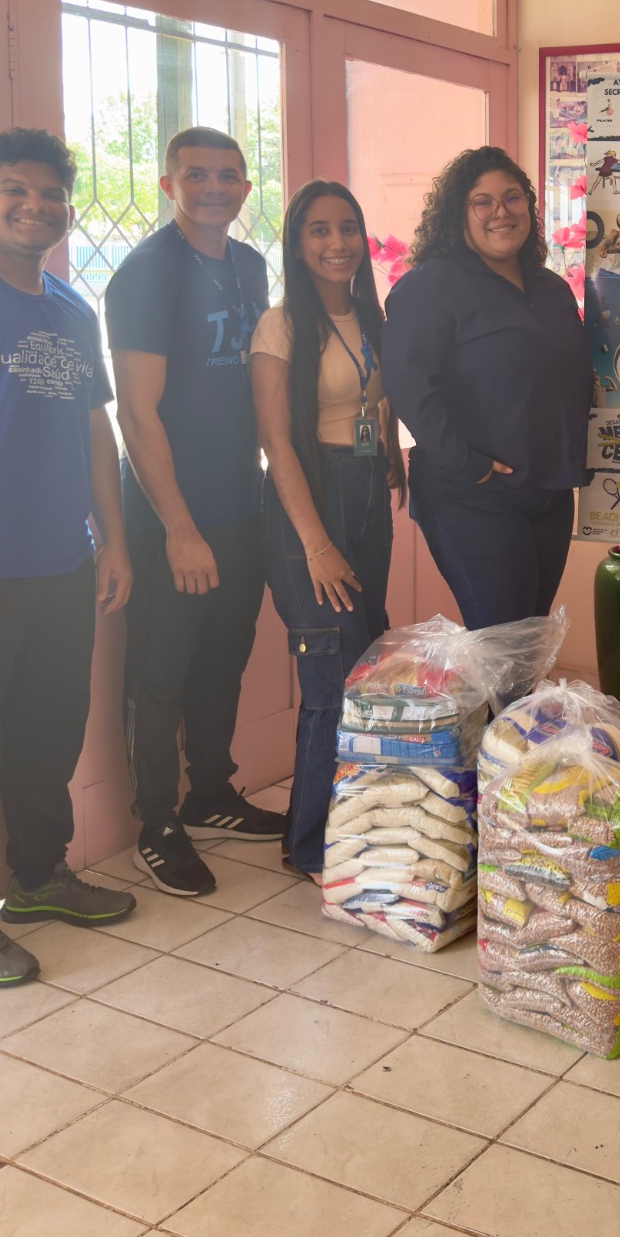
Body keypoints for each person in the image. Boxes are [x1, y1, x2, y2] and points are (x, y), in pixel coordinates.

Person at [0, 129, 136, 987]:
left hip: (62, 561)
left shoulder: (71, 308)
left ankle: (38, 877)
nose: (36, 206)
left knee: (48, 731)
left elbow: (95, 428)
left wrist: (113, 538)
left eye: (51, 193)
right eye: (15, 191)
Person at [106, 127, 281, 898]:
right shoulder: (146, 273)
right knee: (161, 674)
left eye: (228, 176)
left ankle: (210, 794)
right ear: (168, 184)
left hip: (240, 504)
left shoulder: (248, 265)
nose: (214, 188)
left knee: (222, 660)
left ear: (245, 187)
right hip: (167, 518)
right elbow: (136, 414)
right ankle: (157, 823)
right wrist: (179, 529)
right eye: (197, 175)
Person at [252, 182, 403, 879]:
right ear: (296, 242)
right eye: (318, 230)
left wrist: (391, 459)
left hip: (365, 489)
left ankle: (353, 826)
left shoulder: (369, 315)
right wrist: (314, 544)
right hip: (310, 501)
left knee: (363, 667)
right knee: (329, 680)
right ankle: (309, 843)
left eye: (347, 228)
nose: (336, 243)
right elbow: (277, 442)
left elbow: (377, 400)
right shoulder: (281, 325)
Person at [383, 147, 590, 629]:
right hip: (472, 496)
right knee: (502, 646)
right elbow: (409, 383)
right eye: (483, 202)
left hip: (548, 493)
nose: (501, 212)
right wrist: (468, 464)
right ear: (459, 213)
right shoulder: (431, 286)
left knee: (529, 641)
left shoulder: (551, 289)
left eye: (513, 198)